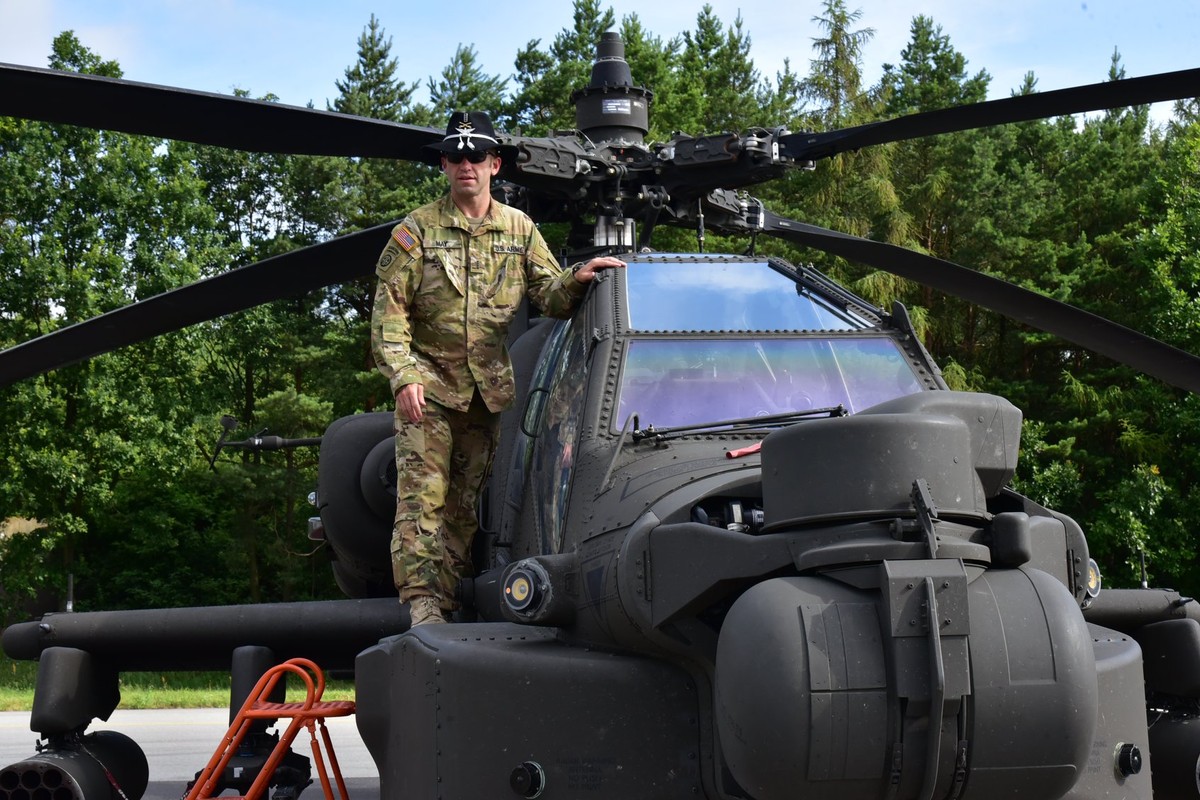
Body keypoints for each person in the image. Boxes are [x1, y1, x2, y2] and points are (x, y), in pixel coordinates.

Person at [370, 111, 625, 626]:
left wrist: (579, 278)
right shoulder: (416, 231)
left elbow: (549, 296)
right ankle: (423, 603)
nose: (466, 165)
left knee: (463, 509)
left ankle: (448, 598)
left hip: (485, 396)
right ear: (444, 165)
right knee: (423, 501)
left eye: (476, 156)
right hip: (430, 391)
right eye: (456, 156)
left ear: (494, 164)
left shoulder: (519, 229)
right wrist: (404, 376)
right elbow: (388, 315)